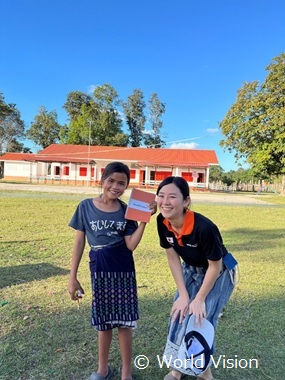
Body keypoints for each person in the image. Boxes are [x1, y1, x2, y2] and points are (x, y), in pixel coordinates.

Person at [68, 162, 156, 380]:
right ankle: (103, 370)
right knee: (104, 321)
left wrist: (144, 222)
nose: (116, 186)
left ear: (126, 186)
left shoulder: (127, 210)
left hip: (123, 268)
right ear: (102, 180)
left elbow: (131, 245)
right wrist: (72, 277)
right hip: (99, 268)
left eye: (122, 183)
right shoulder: (85, 207)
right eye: (112, 181)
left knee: (125, 322)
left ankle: (127, 373)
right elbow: (79, 242)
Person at [156, 176, 237, 380]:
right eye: (161, 195)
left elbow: (215, 265)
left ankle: (204, 375)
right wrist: (184, 295)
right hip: (190, 269)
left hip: (218, 273)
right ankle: (178, 369)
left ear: (186, 201)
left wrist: (199, 299)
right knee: (179, 313)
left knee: (201, 320)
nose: (165, 202)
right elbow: (172, 257)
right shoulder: (162, 221)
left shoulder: (205, 228)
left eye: (172, 196)